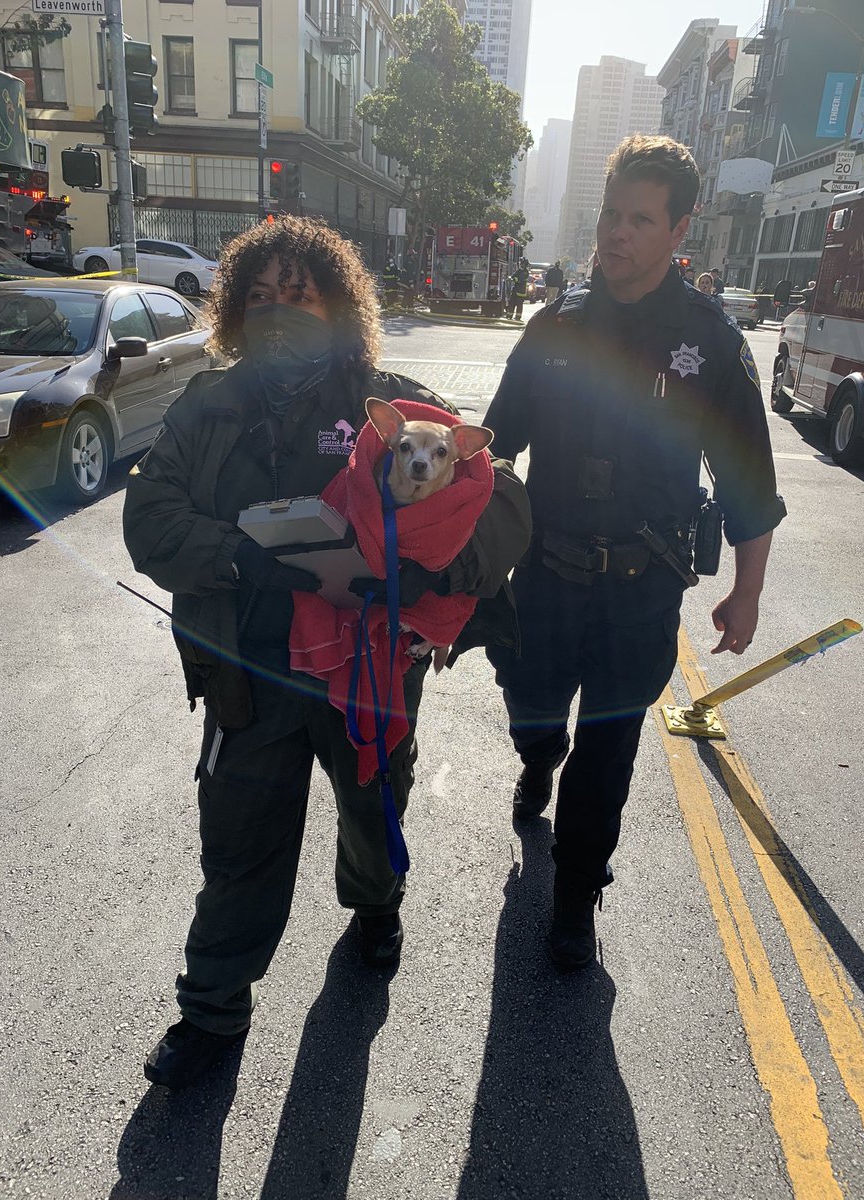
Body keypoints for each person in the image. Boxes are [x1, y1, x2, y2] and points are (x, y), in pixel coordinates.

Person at [122, 215, 531, 1089]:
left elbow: (504, 501)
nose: (277, 312)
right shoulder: (208, 406)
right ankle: (211, 1010)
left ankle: (376, 910)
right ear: (234, 310)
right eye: (260, 296)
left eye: (299, 297)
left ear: (339, 308)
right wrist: (241, 556)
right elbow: (149, 520)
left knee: (374, 818)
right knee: (238, 849)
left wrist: (430, 569)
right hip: (248, 670)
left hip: (371, 672)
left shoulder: (389, 401)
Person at [483, 134, 786, 972]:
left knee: (608, 753)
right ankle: (538, 756)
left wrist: (747, 590)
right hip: (545, 578)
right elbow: (494, 446)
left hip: (640, 589)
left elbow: (749, 481)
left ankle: (576, 896)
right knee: (530, 706)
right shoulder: (556, 325)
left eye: (640, 219)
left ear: (679, 230)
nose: (616, 232)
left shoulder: (710, 344)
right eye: (611, 214)